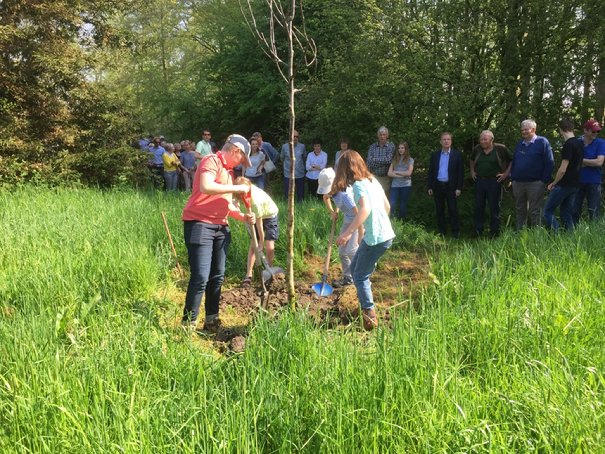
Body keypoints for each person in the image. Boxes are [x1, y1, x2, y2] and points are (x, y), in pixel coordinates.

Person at [181, 134, 256, 331]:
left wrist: (243, 217)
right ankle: (188, 324)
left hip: (221, 228)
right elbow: (206, 186)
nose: (241, 163)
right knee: (200, 277)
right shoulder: (211, 160)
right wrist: (238, 186)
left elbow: (227, 205)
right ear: (235, 151)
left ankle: (211, 319)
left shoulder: (229, 173)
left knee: (217, 276)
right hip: (200, 225)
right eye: (241, 158)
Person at [334, 151, 395, 331]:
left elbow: (365, 209)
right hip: (383, 234)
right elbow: (387, 206)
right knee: (354, 269)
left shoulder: (359, 185)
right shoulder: (373, 181)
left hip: (376, 237)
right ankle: (365, 304)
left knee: (360, 275)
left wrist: (347, 233)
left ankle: (370, 316)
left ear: (346, 169)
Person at [317, 168, 363, 288]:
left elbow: (359, 214)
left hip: (357, 222)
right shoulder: (332, 192)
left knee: (351, 250)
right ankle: (348, 277)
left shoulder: (345, 196)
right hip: (348, 220)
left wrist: (360, 233)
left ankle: (361, 276)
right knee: (342, 251)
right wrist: (332, 212)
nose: (328, 191)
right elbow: (325, 198)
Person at [234, 176, 279, 287]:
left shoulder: (255, 200)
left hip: (269, 215)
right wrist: (236, 204)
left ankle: (269, 270)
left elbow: (259, 225)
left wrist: (261, 243)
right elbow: (234, 200)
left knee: (268, 245)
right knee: (253, 245)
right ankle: (248, 274)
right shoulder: (240, 191)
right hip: (254, 215)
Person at [510, 119, 554, 230]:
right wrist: (513, 178)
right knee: (520, 209)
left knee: (535, 210)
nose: (523, 132)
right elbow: (514, 161)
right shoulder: (520, 143)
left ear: (533, 129)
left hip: (535, 183)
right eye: (522, 130)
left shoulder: (542, 142)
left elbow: (549, 162)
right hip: (518, 182)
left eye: (526, 129)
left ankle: (536, 235)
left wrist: (543, 181)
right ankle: (520, 234)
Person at [469, 130, 512, 237]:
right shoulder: (477, 149)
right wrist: (472, 171)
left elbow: (512, 160)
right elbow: (471, 159)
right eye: (481, 139)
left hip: (494, 182)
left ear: (491, 140)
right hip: (479, 181)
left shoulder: (501, 149)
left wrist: (506, 173)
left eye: (485, 139)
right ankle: (478, 231)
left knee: (494, 207)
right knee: (479, 206)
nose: (482, 141)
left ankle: (494, 232)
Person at [543, 118, 584, 231]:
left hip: (564, 184)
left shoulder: (568, 145)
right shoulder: (580, 143)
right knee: (566, 212)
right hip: (575, 184)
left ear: (561, 130)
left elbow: (563, 169)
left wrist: (554, 183)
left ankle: (556, 236)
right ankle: (570, 238)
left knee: (547, 211)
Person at [427, 132, 464, 238]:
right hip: (438, 186)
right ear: (440, 141)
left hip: (451, 187)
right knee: (439, 209)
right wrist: (430, 186)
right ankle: (442, 231)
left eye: (448, 139)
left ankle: (455, 232)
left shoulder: (457, 155)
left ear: (451, 141)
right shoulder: (435, 155)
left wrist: (459, 188)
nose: (446, 141)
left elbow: (460, 173)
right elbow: (431, 171)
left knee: (453, 209)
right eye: (444, 139)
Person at [573, 119, 605, 222]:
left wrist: (581, 161)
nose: (595, 133)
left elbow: (599, 162)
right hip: (577, 181)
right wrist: (591, 162)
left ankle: (594, 236)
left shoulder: (600, 143)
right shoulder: (576, 142)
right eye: (593, 131)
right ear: (585, 131)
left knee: (594, 210)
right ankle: (572, 234)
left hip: (594, 182)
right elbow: (571, 162)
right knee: (574, 210)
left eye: (597, 131)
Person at [387, 141, 414, 221]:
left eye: (402, 148)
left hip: (406, 185)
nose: (400, 150)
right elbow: (389, 173)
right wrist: (402, 175)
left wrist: (396, 172)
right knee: (392, 203)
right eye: (399, 148)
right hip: (395, 185)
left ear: (406, 149)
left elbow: (409, 173)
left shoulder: (410, 160)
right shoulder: (394, 159)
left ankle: (402, 222)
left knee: (403, 204)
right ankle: (392, 221)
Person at [366, 126, 395, 195]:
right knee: (374, 197)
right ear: (378, 136)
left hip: (385, 178)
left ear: (387, 136)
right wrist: (382, 162)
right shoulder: (372, 147)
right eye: (380, 135)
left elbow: (388, 160)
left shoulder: (391, 146)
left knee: (385, 199)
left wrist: (374, 160)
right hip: (373, 177)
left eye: (384, 135)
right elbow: (369, 161)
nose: (382, 137)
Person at [280, 130, 306, 202]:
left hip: (299, 173)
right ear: (290, 137)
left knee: (300, 192)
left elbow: (304, 158)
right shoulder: (284, 147)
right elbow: (282, 158)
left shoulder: (302, 146)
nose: (295, 138)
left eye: (297, 136)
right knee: (287, 192)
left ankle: (301, 205)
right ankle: (287, 204)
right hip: (288, 174)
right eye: (293, 136)